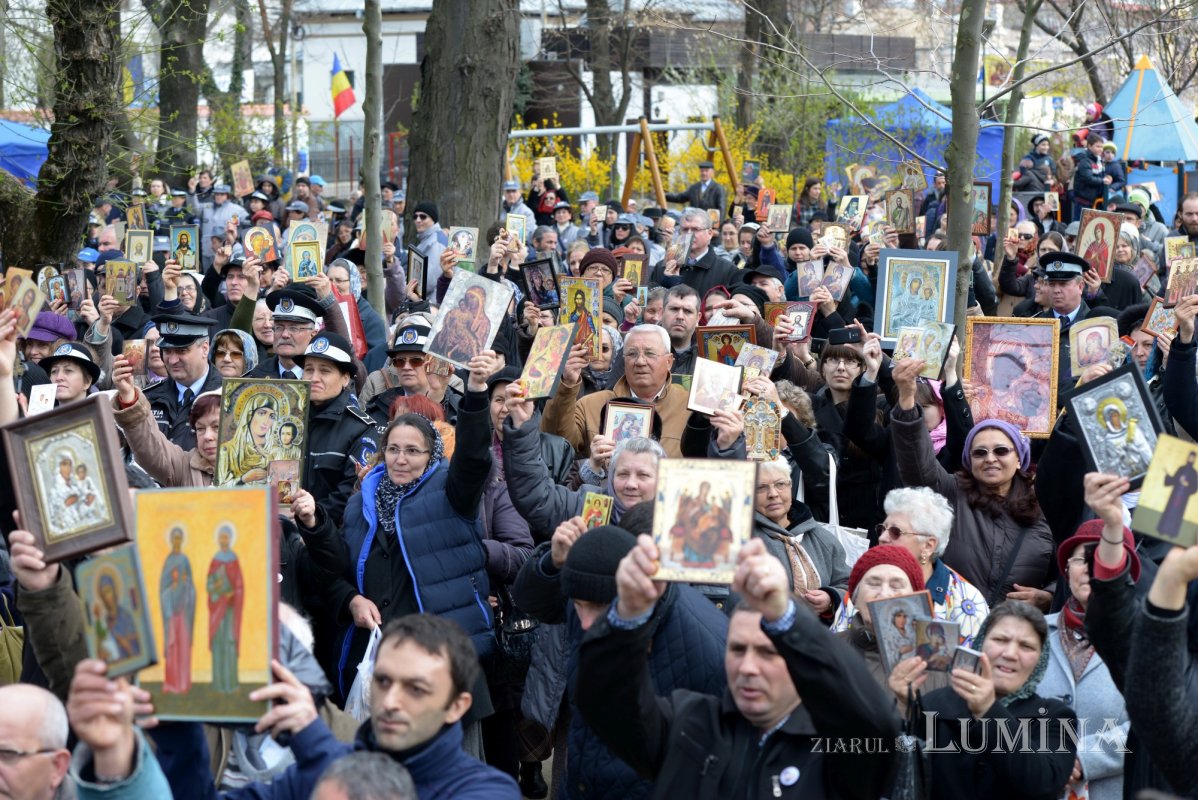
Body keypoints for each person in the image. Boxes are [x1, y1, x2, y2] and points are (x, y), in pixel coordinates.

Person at [575, 535, 901, 798]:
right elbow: (607, 704)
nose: (748, 667)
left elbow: (876, 722)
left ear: (797, 657)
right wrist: (627, 617)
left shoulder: (832, 744)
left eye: (767, 653)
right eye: (737, 649)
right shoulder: (688, 723)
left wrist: (786, 617)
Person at [512, 521, 729, 800]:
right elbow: (533, 600)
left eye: (600, 608)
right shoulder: (589, 598)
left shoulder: (711, 645)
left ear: (635, 588)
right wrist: (551, 563)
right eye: (577, 605)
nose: (587, 622)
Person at [890, 358, 1055, 608]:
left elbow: (1070, 564)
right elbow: (917, 463)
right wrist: (906, 397)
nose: (990, 459)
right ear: (969, 461)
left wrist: (1050, 596)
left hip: (1012, 634)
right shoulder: (950, 492)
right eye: (979, 453)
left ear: (1019, 459)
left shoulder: (1044, 506)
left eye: (1001, 451)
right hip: (952, 624)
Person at [920, 601, 1078, 800]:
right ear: (980, 643)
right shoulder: (932, 705)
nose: (1010, 654)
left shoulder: (1056, 717)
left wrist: (988, 710)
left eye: (1026, 646)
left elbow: (1045, 782)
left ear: (1041, 659)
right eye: (1001, 639)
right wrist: (900, 707)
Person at [1036, 520, 1134, 800]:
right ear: (1066, 571)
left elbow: (1155, 723)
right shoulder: (1031, 632)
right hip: (1036, 784)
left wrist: (1081, 758)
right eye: (1082, 560)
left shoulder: (1145, 638)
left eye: (1103, 557)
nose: (1091, 568)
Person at [833, 487, 990, 645]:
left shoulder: (966, 601)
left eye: (896, 532)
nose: (882, 538)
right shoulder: (867, 584)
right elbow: (837, 646)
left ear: (928, 546)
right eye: (882, 529)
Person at [541, 324, 692, 458]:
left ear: (669, 362)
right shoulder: (590, 405)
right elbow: (556, 445)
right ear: (623, 360)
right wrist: (567, 384)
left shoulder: (690, 408)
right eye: (632, 354)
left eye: (650, 353)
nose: (640, 361)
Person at [143, 311, 220, 449]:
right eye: (167, 351)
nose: (172, 360)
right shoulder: (149, 397)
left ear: (204, 349)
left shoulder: (228, 396)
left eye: (181, 351)